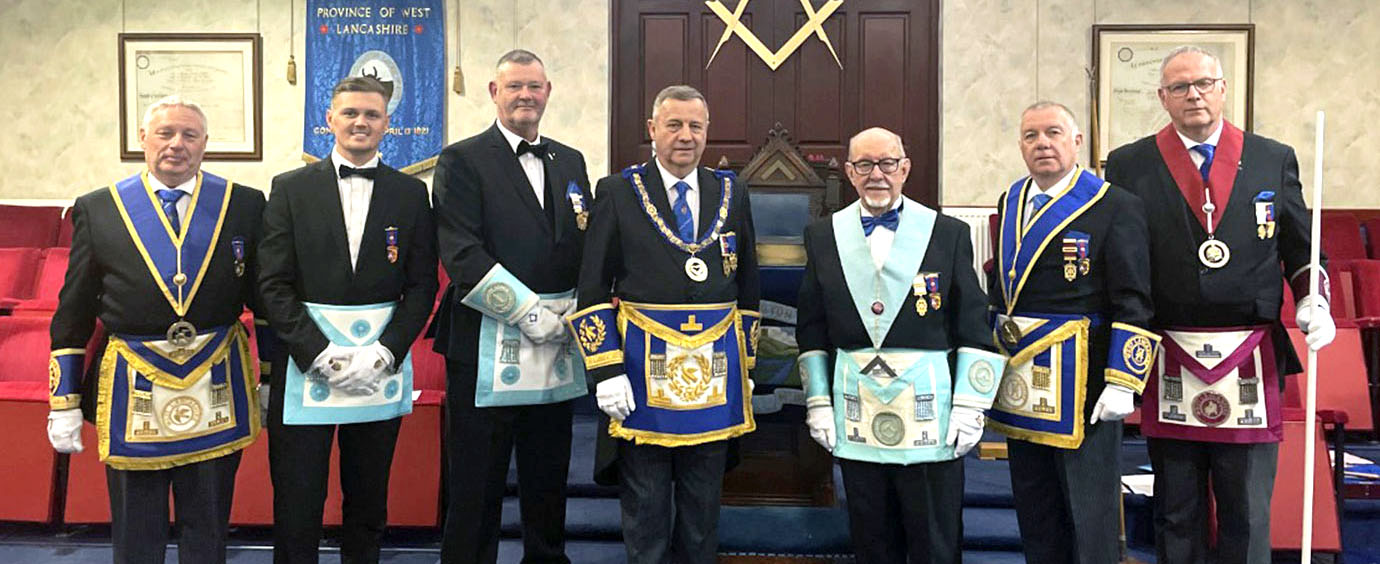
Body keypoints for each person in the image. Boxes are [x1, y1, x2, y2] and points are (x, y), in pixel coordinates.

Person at [1104, 46, 1334, 564]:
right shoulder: (1128, 164)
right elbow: (1121, 264)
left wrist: (1312, 300)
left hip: (1251, 351)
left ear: (1223, 88)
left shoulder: (1273, 157)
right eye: (1181, 87)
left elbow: (1301, 244)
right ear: (1163, 98)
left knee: (1246, 508)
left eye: (1204, 83)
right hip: (1168, 353)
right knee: (1175, 507)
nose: (1195, 95)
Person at [46, 95, 270, 564]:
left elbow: (264, 299)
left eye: (190, 135)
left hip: (217, 382)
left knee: (208, 525)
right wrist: (63, 401)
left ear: (205, 144)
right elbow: (75, 310)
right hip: (132, 384)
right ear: (142, 140)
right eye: (165, 133)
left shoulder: (244, 205)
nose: (177, 145)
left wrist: (267, 379)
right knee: (136, 530)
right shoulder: (99, 208)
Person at [567, 84, 759, 564]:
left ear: (707, 131)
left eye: (695, 126)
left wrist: (746, 363)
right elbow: (591, 289)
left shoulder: (731, 191)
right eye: (673, 124)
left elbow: (749, 286)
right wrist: (605, 370)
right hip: (640, 378)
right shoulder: (618, 191)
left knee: (702, 514)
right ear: (652, 130)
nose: (685, 136)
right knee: (647, 513)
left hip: (715, 377)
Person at [795, 127, 1003, 563]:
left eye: (887, 163)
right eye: (865, 165)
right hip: (856, 413)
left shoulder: (946, 233)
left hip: (932, 416)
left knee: (934, 540)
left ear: (905, 168)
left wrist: (970, 405)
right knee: (872, 538)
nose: (877, 174)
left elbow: (972, 322)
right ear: (849, 173)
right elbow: (812, 326)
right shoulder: (822, 235)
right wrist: (817, 401)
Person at [257, 76, 437, 564]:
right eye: (351, 113)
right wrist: (317, 352)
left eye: (372, 115)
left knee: (368, 500)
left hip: (379, 369)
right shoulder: (290, 189)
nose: (361, 122)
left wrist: (387, 351)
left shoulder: (410, 195)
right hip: (306, 366)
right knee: (297, 504)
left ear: (387, 125)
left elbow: (423, 286)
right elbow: (271, 284)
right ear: (329, 120)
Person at [429, 49, 592, 564]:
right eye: (515, 86)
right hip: (484, 346)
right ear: (494, 93)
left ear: (548, 92)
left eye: (535, 86)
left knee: (549, 477)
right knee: (477, 483)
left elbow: (582, 243)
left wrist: (577, 310)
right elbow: (460, 251)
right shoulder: (461, 159)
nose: (526, 95)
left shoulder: (571, 160)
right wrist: (529, 313)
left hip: (556, 347)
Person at [986, 101, 1157, 564]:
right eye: (1031, 136)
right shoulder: (1011, 200)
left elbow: (1134, 298)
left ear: (1076, 141)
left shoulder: (1115, 205)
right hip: (1023, 381)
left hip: (1085, 383)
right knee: (1035, 507)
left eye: (1054, 132)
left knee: (1089, 513)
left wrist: (1124, 380)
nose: (1043, 143)